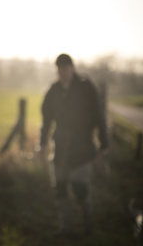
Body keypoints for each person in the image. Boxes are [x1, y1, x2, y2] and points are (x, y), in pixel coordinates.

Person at [39, 54, 108, 236]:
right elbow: (46, 120)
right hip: (60, 148)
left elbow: (100, 116)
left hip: (83, 147)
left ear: (72, 68)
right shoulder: (53, 90)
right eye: (59, 68)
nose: (62, 72)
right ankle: (67, 226)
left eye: (65, 68)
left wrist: (104, 143)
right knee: (60, 188)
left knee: (79, 186)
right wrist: (42, 144)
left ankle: (88, 221)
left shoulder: (86, 87)